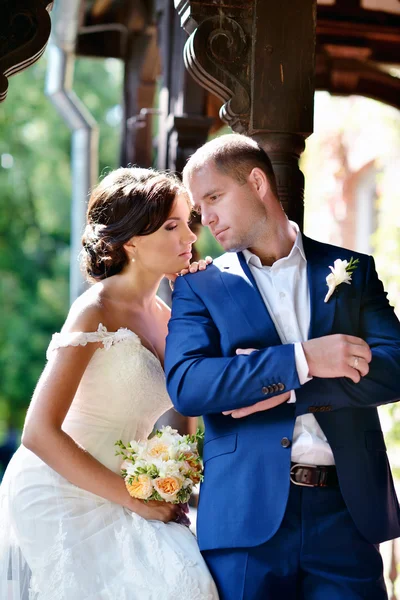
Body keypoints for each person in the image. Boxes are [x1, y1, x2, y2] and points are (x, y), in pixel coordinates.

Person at [165, 133, 400, 600]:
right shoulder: (198, 288)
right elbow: (190, 384)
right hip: (244, 520)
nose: (205, 218)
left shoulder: (352, 271)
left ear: (256, 182)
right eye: (199, 206)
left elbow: (393, 369)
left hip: (346, 515)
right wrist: (306, 359)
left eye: (214, 197)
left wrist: (286, 388)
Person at [0, 167, 219, 600]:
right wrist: (135, 499)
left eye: (188, 223)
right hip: (61, 487)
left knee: (192, 582)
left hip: (132, 490)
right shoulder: (96, 309)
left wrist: (170, 484)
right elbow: (38, 432)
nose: (190, 237)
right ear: (132, 241)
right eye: (172, 226)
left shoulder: (174, 317)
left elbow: (183, 417)